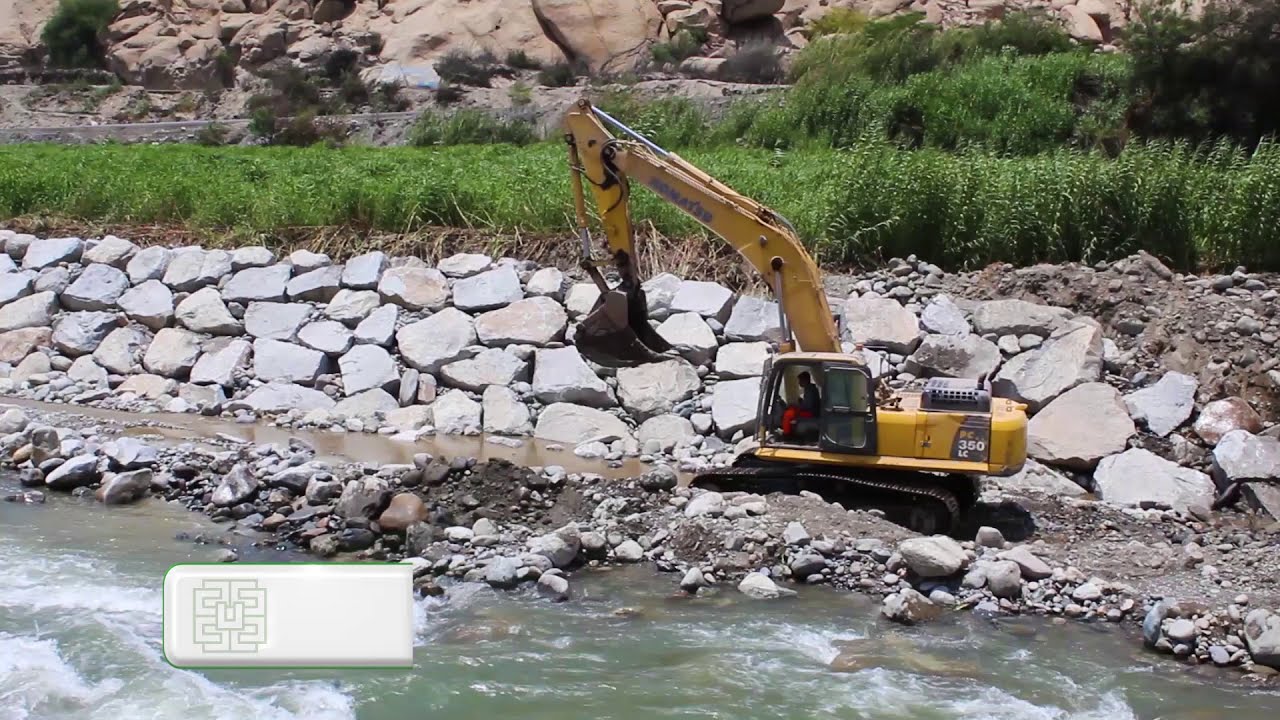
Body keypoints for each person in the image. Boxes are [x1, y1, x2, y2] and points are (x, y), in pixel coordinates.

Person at [782, 370, 821, 437]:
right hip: (810, 410)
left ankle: (786, 434)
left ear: (805, 380)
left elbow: (808, 406)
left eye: (800, 381)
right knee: (791, 409)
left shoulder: (810, 390)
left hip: (811, 413)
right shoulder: (809, 388)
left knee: (788, 414)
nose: (799, 383)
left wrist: (797, 406)